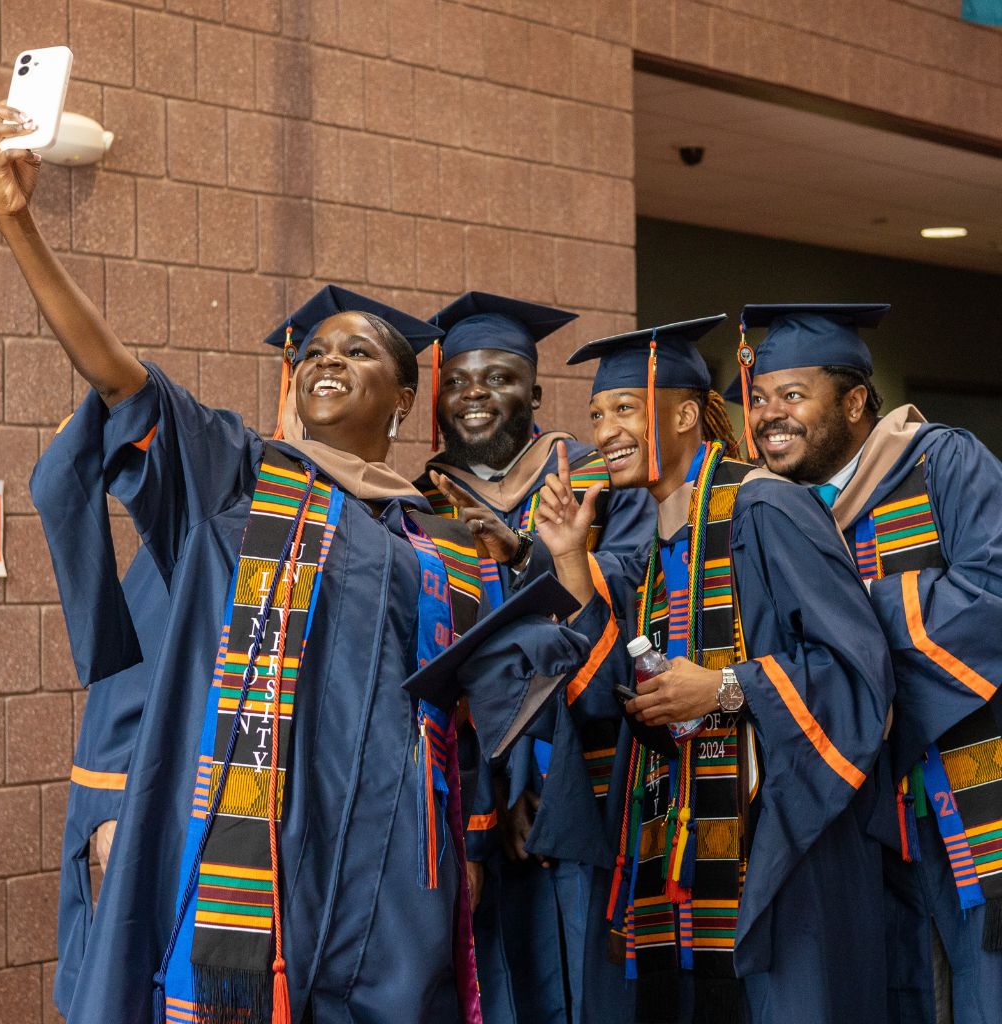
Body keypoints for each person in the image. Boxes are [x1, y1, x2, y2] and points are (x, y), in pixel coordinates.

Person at [0, 103, 594, 1024]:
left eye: (358, 351)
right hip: (262, 850)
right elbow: (119, 378)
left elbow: (489, 710)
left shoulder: (445, 539)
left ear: (405, 398)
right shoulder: (239, 481)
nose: (326, 361)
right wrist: (20, 228)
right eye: (313, 351)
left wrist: (562, 568)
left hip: (400, 873)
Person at [534, 316, 895, 1023]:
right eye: (596, 414)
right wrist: (570, 557)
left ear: (685, 415)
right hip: (683, 844)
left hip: (778, 846)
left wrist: (726, 688)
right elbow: (609, 695)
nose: (604, 431)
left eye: (624, 407)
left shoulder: (767, 506)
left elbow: (855, 670)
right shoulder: (663, 543)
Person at [738, 303, 1002, 1024]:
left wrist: (848, 620)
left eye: (793, 395)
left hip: (972, 778)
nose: (768, 415)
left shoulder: (942, 460)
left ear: (855, 402)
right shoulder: (777, 511)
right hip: (866, 808)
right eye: (759, 398)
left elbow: (991, 594)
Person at [411, 291, 655, 1024]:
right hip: (467, 791)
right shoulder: (417, 502)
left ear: (537, 393)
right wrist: (490, 791)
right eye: (458, 380)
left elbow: (635, 598)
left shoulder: (598, 481)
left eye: (499, 377)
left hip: (588, 776)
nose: (475, 394)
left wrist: (525, 556)